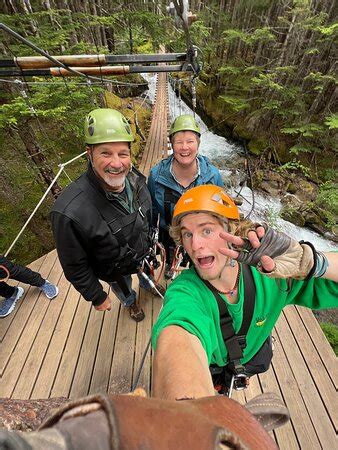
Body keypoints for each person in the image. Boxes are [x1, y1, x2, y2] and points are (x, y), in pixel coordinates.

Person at [151, 185, 338, 400]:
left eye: (207, 230)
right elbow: (177, 338)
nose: (195, 244)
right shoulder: (186, 292)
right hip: (215, 366)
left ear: (231, 230)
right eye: (187, 234)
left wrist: (312, 262)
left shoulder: (271, 276)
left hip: (247, 359)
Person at [51, 108, 162, 323]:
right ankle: (131, 303)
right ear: (89, 153)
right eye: (105, 153)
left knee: (145, 274)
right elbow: (74, 264)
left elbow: (149, 215)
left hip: (143, 252)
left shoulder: (137, 180)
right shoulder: (69, 211)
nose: (117, 163)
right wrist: (96, 296)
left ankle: (149, 284)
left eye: (123, 153)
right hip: (115, 270)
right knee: (125, 289)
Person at [147, 114, 224, 273]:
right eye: (179, 142)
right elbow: (152, 212)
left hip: (203, 239)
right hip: (169, 236)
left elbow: (221, 214)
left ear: (198, 143)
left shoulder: (212, 176)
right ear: (172, 144)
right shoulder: (156, 176)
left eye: (190, 141)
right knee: (171, 262)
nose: (184, 147)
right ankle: (170, 266)